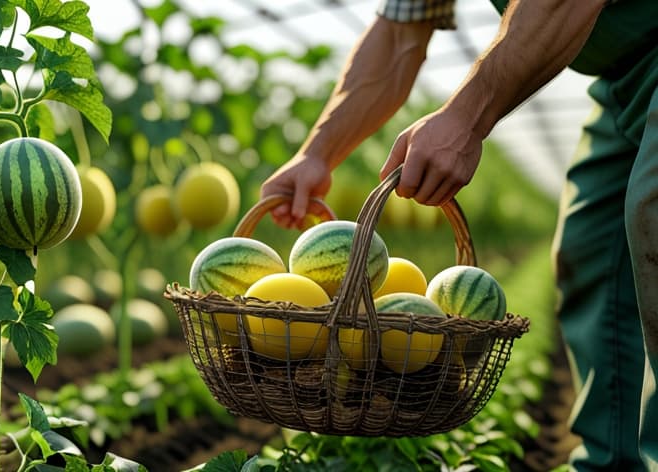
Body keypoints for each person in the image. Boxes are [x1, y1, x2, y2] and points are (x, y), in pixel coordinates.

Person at [260, 0, 658, 469]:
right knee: (588, 253)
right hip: (621, 78)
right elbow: (398, 35)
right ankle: (608, 462)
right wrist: (317, 154)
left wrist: (466, 117)